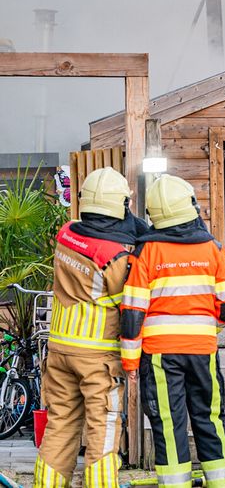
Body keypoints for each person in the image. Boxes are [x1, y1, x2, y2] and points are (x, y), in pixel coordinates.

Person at [120, 175, 225, 488]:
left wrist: (131, 363)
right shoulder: (212, 248)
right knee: (210, 418)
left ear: (154, 213)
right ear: (190, 205)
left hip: (160, 355)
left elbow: (132, 313)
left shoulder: (145, 252)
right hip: (203, 351)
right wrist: (208, 330)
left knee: (170, 424)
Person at [34, 167, 148, 488]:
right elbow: (131, 297)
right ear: (120, 205)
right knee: (104, 429)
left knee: (60, 426)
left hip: (58, 350)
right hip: (97, 356)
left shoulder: (66, 234)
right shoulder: (117, 257)